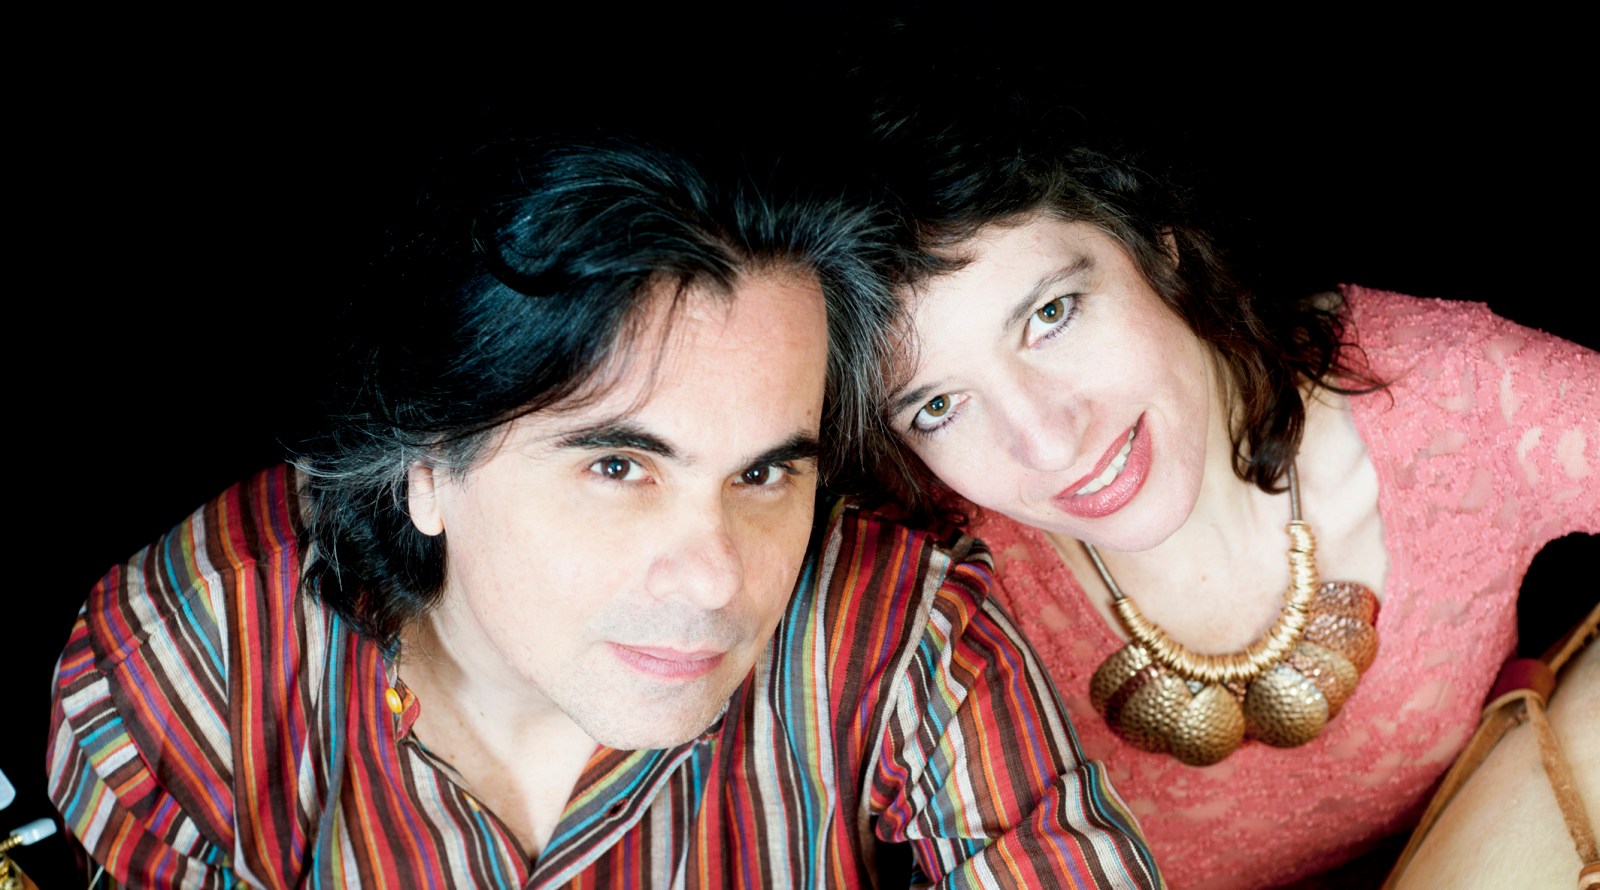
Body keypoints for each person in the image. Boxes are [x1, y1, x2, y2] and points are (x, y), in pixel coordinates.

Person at [43, 126, 1165, 889]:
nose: (717, 576)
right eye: (619, 467)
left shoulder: (906, 635)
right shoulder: (185, 672)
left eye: (764, 474)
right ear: (425, 460)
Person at [851, 51, 1600, 889]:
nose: (1048, 444)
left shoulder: (1449, 393)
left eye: (1051, 314)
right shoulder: (929, 601)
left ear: (1157, 245)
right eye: (938, 407)